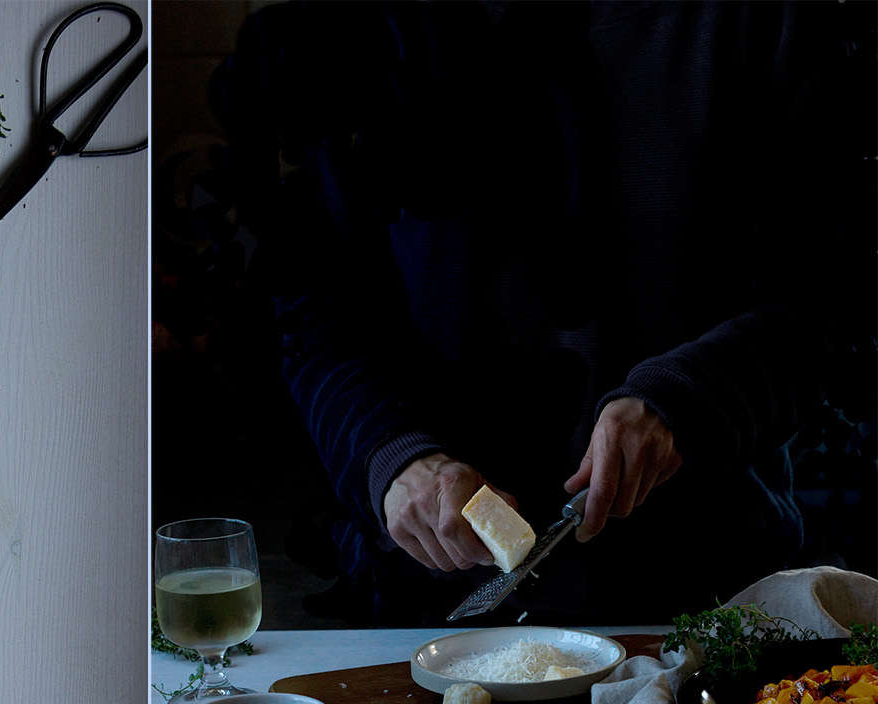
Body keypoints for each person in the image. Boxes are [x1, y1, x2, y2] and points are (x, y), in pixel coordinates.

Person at [214, 0, 874, 625]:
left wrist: (688, 397)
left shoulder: (764, 20)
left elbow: (828, 309)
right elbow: (316, 314)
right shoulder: (366, 23)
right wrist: (393, 457)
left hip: (711, 601)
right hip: (427, 618)